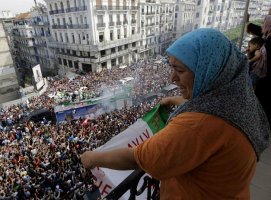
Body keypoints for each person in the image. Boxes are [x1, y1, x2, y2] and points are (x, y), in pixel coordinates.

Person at [81, 29, 270, 199]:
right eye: (171, 67)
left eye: (179, 70)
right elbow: (210, 106)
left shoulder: (197, 126)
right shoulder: (238, 97)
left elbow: (139, 158)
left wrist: (94, 158)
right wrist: (174, 100)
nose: (172, 78)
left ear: (209, 70)